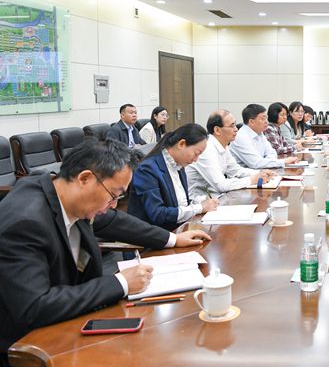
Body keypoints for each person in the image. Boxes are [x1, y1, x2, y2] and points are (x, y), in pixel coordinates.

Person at [0, 139, 211, 357]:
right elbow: (35, 307)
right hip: (31, 346)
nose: (114, 204)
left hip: (74, 318)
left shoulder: (66, 193)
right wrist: (121, 283)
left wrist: (172, 239)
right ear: (85, 178)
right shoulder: (25, 222)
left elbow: (112, 220)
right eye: (114, 195)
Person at [128, 123, 218, 231]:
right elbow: (158, 214)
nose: (196, 160)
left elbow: (179, 203)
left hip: (175, 229)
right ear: (181, 144)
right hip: (154, 235)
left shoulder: (178, 165)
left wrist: (201, 201)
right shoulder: (147, 169)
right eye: (196, 153)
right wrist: (200, 207)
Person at [186, 110, 274, 199]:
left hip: (214, 198)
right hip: (198, 202)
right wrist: (253, 179)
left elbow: (235, 171)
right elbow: (221, 185)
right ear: (217, 130)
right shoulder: (207, 149)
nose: (236, 129)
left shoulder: (222, 145)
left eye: (235, 125)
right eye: (232, 126)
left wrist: (261, 173)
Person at [229, 104, 299, 169]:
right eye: (263, 119)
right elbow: (256, 163)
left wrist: (267, 162)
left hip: (261, 171)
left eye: (266, 118)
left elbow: (272, 152)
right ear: (251, 122)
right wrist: (283, 162)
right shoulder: (241, 137)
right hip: (246, 175)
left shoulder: (260, 133)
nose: (266, 122)